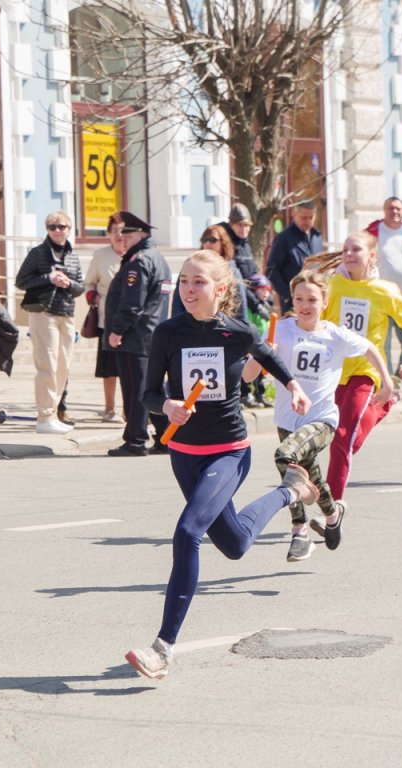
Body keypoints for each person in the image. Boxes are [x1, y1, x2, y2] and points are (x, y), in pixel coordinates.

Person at [124, 250, 315, 680]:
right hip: (184, 454)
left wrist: (293, 385)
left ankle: (162, 647)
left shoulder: (238, 332)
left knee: (188, 533)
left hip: (228, 450)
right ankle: (289, 491)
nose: (189, 290)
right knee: (233, 544)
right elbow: (148, 393)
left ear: (220, 289)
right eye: (184, 282)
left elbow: (268, 355)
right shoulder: (168, 332)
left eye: (198, 282)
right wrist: (167, 405)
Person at [245, 269, 390, 562]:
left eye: (312, 299)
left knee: (285, 456)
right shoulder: (280, 330)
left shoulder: (334, 335)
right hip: (287, 419)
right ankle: (333, 513)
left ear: (325, 301)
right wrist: (264, 356)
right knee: (306, 476)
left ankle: (299, 531)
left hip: (322, 419)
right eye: (299, 298)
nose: (304, 305)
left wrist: (386, 382)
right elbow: (247, 377)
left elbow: (370, 348)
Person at [312, 232, 402, 539]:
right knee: (344, 440)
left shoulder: (384, 291)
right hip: (333, 375)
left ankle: (330, 510)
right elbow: (310, 317)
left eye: (356, 249)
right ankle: (384, 403)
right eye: (345, 248)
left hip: (367, 373)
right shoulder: (331, 286)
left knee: (343, 439)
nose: (348, 254)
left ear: (372, 255)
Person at [103, 211, 173, 457]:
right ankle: (166, 437)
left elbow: (133, 303)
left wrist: (117, 330)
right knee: (150, 389)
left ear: (140, 235)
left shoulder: (139, 262)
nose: (123, 237)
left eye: (128, 234)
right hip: (152, 334)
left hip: (135, 336)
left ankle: (135, 440)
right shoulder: (158, 259)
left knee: (136, 391)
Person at [16, 211, 84, 435]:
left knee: (63, 366)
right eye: (52, 227)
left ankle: (53, 414)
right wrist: (48, 278)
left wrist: (68, 283)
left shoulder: (72, 255)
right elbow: (21, 281)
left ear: (69, 229)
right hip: (43, 313)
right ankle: (44, 416)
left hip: (66, 313)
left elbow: (80, 288)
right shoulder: (38, 253)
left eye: (62, 226)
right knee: (48, 365)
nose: (57, 230)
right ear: (47, 229)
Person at [367, 196, 402, 368]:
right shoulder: (374, 231)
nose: (394, 212)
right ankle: (386, 380)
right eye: (390, 208)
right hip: (380, 298)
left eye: (398, 208)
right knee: (383, 343)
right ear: (384, 211)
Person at [84, 218, 126, 423]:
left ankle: (130, 410)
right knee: (109, 369)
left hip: (131, 322)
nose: (119, 236)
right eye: (115, 231)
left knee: (130, 369)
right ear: (109, 234)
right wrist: (96, 298)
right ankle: (109, 409)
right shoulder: (101, 256)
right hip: (107, 320)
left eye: (123, 231)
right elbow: (89, 284)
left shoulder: (136, 255)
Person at [265, 199, 325, 313]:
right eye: (304, 218)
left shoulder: (317, 237)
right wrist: (287, 296)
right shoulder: (284, 239)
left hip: (315, 299)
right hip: (293, 304)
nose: (308, 222)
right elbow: (271, 270)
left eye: (311, 217)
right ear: (294, 214)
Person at [245, 273, 275, 407]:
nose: (265, 293)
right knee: (249, 373)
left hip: (264, 344)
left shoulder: (266, 307)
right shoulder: (251, 310)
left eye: (267, 290)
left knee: (261, 374)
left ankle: (260, 394)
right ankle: (246, 395)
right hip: (252, 346)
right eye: (261, 289)